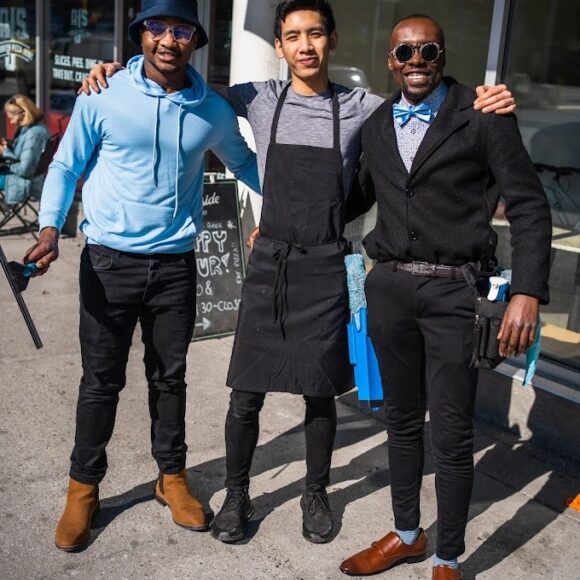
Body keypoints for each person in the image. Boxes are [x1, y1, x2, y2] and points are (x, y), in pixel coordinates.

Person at [81, 0, 516, 546]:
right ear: (280, 46)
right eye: (292, 36)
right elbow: (178, 81)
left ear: (332, 40)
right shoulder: (257, 98)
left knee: (319, 394)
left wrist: (482, 96)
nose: (305, 45)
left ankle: (316, 491)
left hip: (327, 264)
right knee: (245, 394)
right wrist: (118, 70)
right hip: (271, 263)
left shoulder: (362, 107)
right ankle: (237, 494)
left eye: (315, 34)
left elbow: (424, 97)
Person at [24, 0, 260, 553]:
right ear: (140, 34)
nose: (168, 40)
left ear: (196, 40)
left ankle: (171, 478)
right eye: (157, 27)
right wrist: (50, 228)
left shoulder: (211, 109)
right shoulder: (103, 93)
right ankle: (83, 488)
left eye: (181, 30)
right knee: (100, 382)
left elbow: (247, 164)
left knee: (169, 379)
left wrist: (297, 205)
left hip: (176, 265)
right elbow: (66, 165)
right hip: (109, 262)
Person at [339, 14, 551, 580]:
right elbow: (354, 198)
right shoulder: (377, 125)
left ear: (443, 56)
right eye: (405, 52)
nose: (416, 62)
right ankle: (407, 535)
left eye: (427, 51)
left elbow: (529, 206)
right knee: (401, 421)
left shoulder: (482, 117)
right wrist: (283, 222)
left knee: (453, 433)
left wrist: (528, 292)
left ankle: (448, 558)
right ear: (391, 61)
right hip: (390, 290)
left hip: (455, 293)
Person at [0, 95, 49, 206]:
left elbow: (24, 170)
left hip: (22, 181)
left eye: (12, 118)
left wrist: (5, 151)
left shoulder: (33, 135)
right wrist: (7, 147)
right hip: (23, 176)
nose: (11, 122)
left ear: (23, 114)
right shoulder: (34, 129)